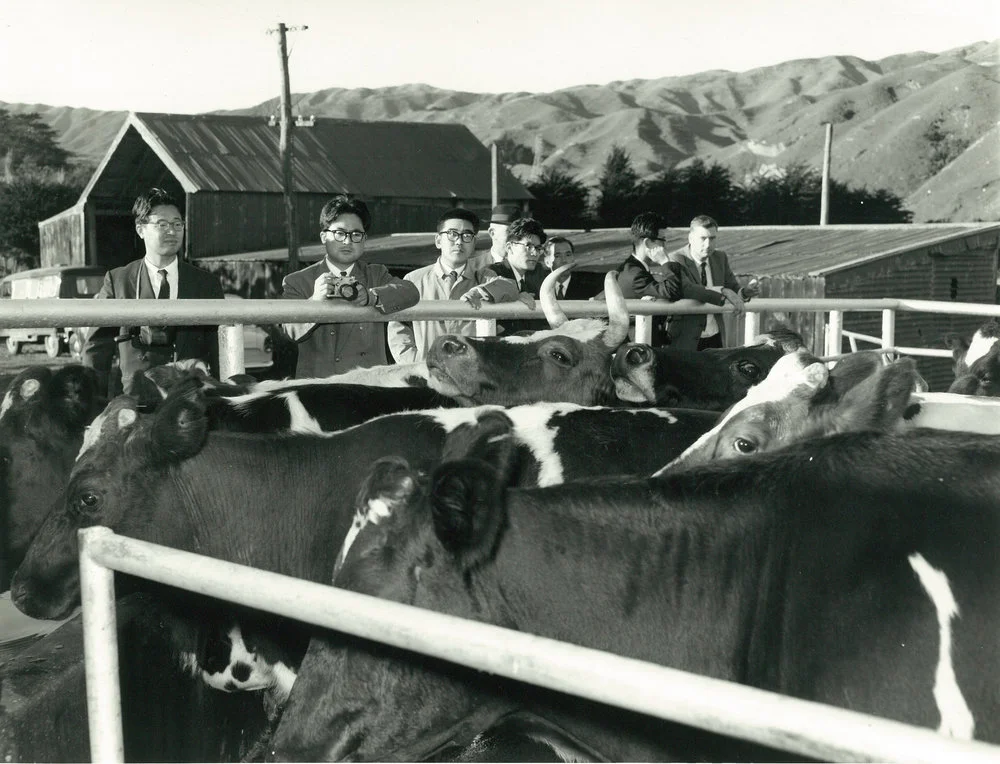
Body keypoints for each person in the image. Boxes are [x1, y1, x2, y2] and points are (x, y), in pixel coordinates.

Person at [81, 187, 225, 397]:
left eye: (178, 224)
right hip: (137, 401)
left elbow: (220, 351)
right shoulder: (118, 280)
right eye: (162, 224)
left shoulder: (206, 284)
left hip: (190, 403)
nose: (172, 231)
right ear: (140, 230)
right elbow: (96, 348)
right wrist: (95, 402)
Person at [281, 195, 419, 377]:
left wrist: (372, 297)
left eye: (356, 234)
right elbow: (288, 332)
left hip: (368, 385)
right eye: (339, 233)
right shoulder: (297, 281)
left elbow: (410, 292)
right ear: (324, 237)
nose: (347, 242)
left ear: (364, 239)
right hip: (319, 389)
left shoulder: (376, 274)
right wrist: (314, 302)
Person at [387, 208, 516, 363]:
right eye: (452, 234)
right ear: (438, 240)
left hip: (472, 372)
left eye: (467, 236)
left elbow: (510, 288)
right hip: (427, 373)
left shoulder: (485, 277)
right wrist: (413, 363)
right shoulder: (414, 279)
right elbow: (398, 327)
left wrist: (481, 291)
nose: (459, 241)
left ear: (474, 242)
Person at [667, 214, 759, 350]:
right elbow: (688, 291)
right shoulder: (675, 259)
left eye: (712, 238)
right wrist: (722, 290)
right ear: (690, 238)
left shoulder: (720, 257)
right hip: (685, 337)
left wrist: (744, 292)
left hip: (715, 335)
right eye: (703, 238)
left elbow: (732, 287)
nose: (708, 244)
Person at [613, 211, 682, 347]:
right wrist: (665, 262)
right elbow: (673, 291)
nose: (665, 246)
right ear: (648, 243)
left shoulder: (633, 268)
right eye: (662, 240)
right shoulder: (635, 274)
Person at [475, 217, 550, 336]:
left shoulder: (542, 274)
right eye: (529, 246)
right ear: (509, 247)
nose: (535, 253)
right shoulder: (491, 272)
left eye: (538, 248)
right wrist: (515, 296)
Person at [468, 204, 521, 271]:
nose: (516, 238)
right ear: (492, 233)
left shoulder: (528, 268)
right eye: (509, 232)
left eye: (519, 233)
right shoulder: (472, 267)